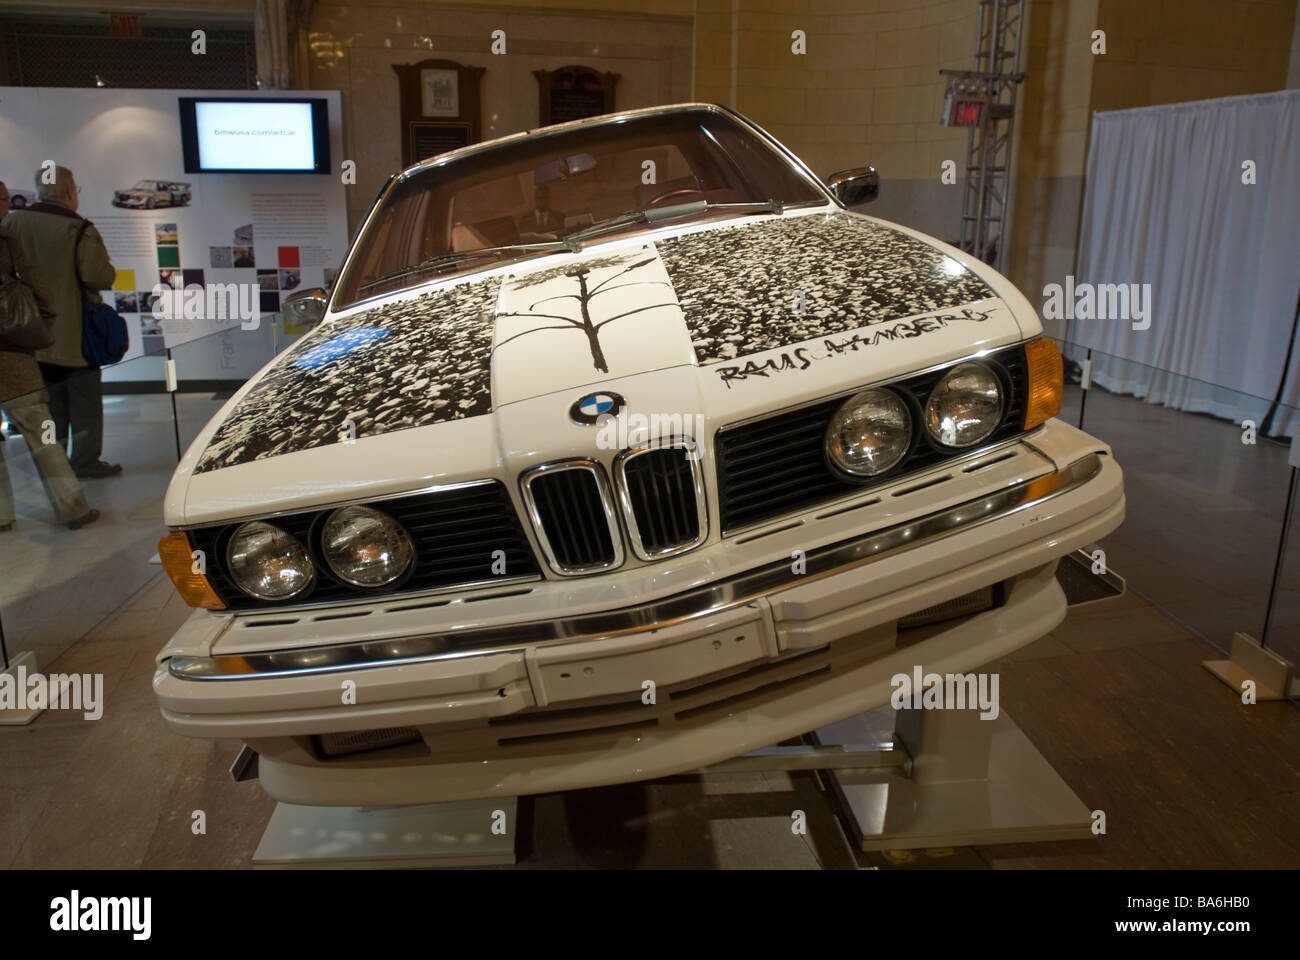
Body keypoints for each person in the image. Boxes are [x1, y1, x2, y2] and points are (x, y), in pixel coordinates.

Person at [1, 165, 120, 478]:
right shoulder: (78, 229)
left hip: (30, 334)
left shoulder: (12, 223)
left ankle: (55, 465)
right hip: (75, 335)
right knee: (85, 404)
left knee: (49, 407)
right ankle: (84, 462)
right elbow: (98, 275)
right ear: (70, 193)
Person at [0, 180, 99, 531]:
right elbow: (38, 289)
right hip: (11, 354)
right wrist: (40, 325)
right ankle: (72, 509)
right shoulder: (6, 238)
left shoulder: (11, 230)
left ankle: (2, 515)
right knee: (43, 435)